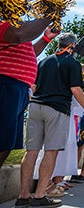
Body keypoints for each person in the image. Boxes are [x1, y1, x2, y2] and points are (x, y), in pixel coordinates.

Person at [15, 33, 84, 207]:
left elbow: (34, 85)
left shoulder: (44, 61)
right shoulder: (73, 63)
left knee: (31, 152)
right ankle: (39, 196)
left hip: (36, 107)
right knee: (51, 152)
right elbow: (75, 89)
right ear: (72, 46)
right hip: (57, 109)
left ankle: (23, 196)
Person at [0, 19, 57, 168]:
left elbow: (30, 51)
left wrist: (45, 39)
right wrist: (48, 16)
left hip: (17, 89)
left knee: (6, 143)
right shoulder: (6, 26)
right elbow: (19, 35)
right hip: (6, 85)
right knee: (2, 141)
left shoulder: (15, 32)